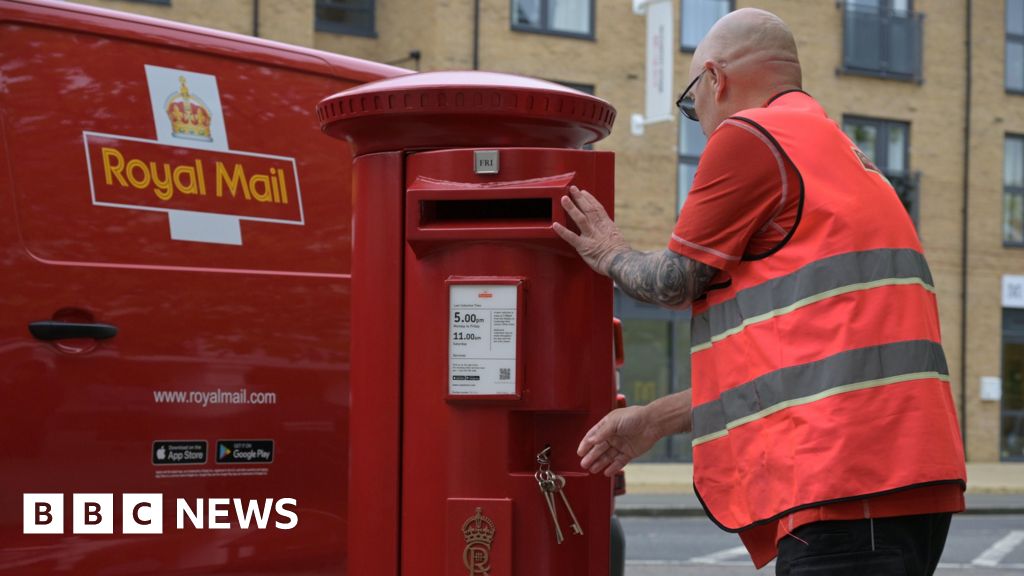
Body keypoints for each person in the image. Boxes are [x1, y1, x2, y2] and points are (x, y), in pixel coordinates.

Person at [553, 7, 967, 575]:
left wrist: (608, 253)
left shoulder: (750, 136)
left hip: (843, 481)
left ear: (715, 80)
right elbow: (792, 375)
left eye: (690, 102)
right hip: (906, 478)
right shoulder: (839, 153)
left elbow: (675, 281)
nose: (697, 122)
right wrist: (653, 420)